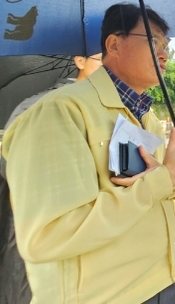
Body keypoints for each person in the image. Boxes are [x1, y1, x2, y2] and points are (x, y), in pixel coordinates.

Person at [1, 3, 175, 304]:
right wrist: (166, 177)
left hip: (159, 282)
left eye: (166, 46)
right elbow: (47, 236)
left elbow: (147, 189)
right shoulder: (57, 113)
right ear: (114, 44)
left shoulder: (147, 118)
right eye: (152, 41)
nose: (163, 54)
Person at [0, 53, 102, 304]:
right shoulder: (39, 106)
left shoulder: (99, 107)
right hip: (41, 223)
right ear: (80, 61)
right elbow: (12, 167)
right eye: (101, 59)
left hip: (83, 235)